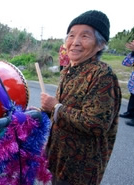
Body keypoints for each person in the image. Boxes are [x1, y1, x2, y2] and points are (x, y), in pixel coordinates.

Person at [40, 10, 122, 185]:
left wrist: (55, 107)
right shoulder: (69, 70)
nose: (75, 42)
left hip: (81, 169)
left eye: (85, 36)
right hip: (59, 158)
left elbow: (96, 124)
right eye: (71, 35)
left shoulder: (102, 74)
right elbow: (64, 110)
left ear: (100, 44)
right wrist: (44, 111)